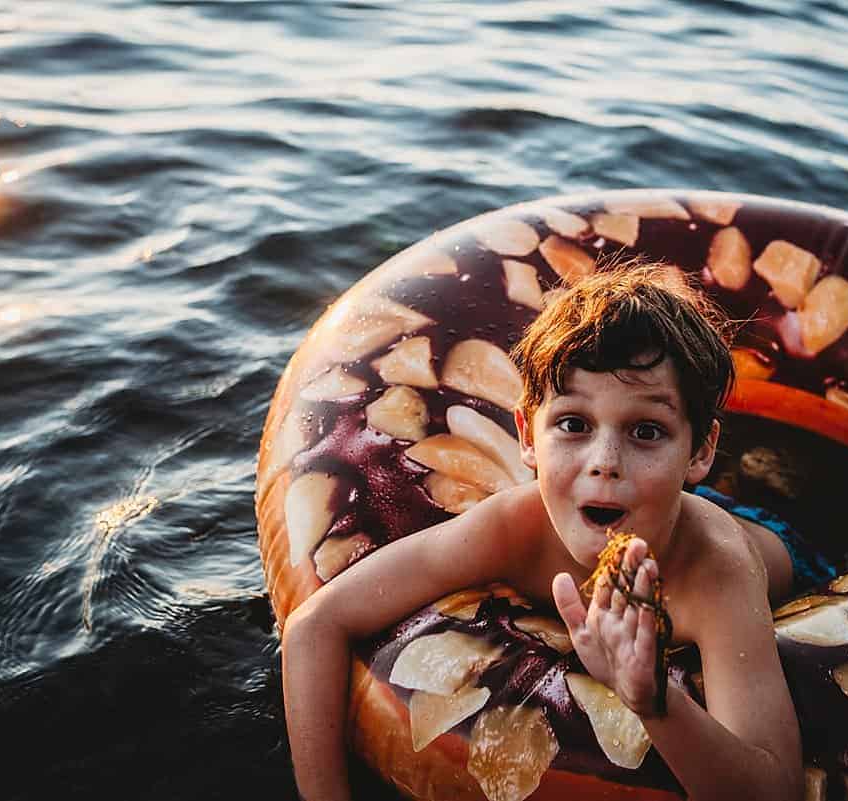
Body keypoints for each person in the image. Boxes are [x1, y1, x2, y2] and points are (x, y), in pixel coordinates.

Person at [282, 262, 805, 801]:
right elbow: (316, 624)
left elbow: (775, 789)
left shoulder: (715, 576)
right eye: (574, 424)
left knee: (781, 490)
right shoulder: (514, 527)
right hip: (655, 499)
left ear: (699, 451)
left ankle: (763, 471)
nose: (605, 461)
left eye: (646, 430)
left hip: (775, 544)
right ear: (528, 433)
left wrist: (654, 702)